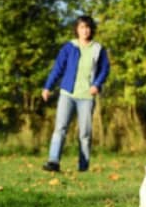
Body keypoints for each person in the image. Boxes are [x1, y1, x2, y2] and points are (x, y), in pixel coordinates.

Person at [41, 15, 110, 172]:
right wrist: (47, 87)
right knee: (60, 128)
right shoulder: (69, 47)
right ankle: (53, 161)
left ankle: (83, 166)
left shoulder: (98, 49)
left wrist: (97, 84)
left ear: (91, 29)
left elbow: (105, 69)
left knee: (85, 133)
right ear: (77, 30)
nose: (85, 30)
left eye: (88, 27)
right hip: (67, 94)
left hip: (87, 97)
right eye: (82, 27)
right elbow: (58, 68)